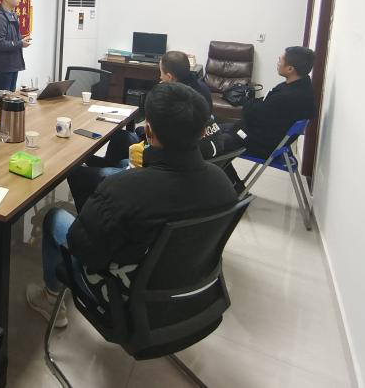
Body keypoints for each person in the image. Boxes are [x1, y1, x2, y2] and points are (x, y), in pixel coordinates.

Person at [27, 82, 237, 328]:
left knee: (54, 218)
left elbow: (81, 246)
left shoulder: (123, 188)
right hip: (189, 295)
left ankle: (50, 298)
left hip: (124, 298)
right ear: (202, 133)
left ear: (148, 130)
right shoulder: (223, 183)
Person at [68, 51, 222, 209]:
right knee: (120, 137)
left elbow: (161, 142)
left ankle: (107, 174)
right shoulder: (201, 91)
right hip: (180, 154)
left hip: (162, 162)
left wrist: (143, 138)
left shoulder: (175, 101)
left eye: (161, 73)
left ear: (170, 77)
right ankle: (108, 165)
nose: (159, 77)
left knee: (78, 174)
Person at [220, 46, 316, 190]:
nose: (277, 63)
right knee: (216, 129)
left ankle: (233, 189)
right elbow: (264, 109)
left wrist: (248, 104)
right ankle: (234, 185)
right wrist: (253, 105)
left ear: (290, 69)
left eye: (280, 60)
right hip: (270, 136)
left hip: (263, 144)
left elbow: (253, 114)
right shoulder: (303, 86)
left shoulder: (287, 96)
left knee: (214, 144)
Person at [0, 0, 31, 92]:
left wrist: (22, 39)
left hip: (13, 64)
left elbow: (13, 37)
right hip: (4, 66)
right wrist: (20, 43)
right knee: (3, 98)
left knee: (11, 96)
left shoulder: (13, 14)